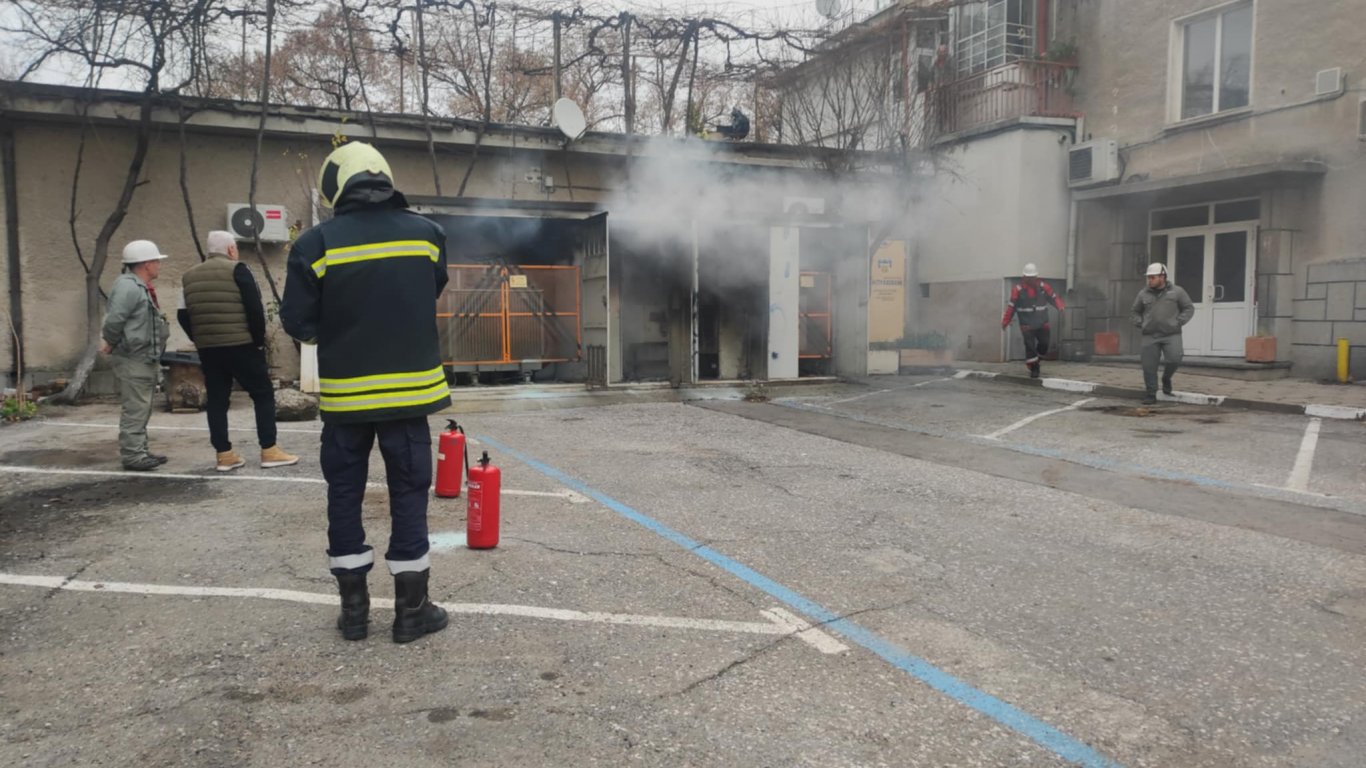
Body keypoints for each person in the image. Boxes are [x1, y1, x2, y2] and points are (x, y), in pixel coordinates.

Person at [280, 141, 452, 644]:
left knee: (345, 495)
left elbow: (298, 322)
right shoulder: (429, 235)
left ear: (335, 186)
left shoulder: (315, 244)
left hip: (346, 402)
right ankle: (411, 613)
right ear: (385, 177)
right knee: (408, 497)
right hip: (409, 397)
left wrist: (339, 330)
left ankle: (354, 614)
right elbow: (428, 291)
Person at [177, 230, 298, 472]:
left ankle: (224, 454)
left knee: (218, 400)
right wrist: (258, 341)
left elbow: (182, 314)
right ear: (231, 249)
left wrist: (199, 338)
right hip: (241, 345)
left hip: (209, 349)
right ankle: (269, 450)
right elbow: (254, 308)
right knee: (262, 393)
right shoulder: (239, 270)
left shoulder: (188, 276)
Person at [100, 240, 171, 471]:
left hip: (143, 357)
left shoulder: (137, 286)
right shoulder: (129, 287)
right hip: (134, 357)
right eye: (156, 261)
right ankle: (133, 455)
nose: (159, 265)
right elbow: (114, 320)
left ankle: (139, 450)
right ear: (146, 263)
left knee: (142, 406)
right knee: (136, 407)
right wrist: (110, 341)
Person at [1130, 262, 1195, 405]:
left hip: (1171, 334)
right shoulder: (1143, 293)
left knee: (1174, 359)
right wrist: (1140, 322)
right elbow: (1135, 311)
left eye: (1153, 277)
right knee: (1149, 366)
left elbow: (1188, 308)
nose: (1150, 280)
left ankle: (1167, 378)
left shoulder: (1177, 291)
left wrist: (1179, 321)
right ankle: (1151, 393)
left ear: (1162, 277)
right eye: (1148, 278)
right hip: (1150, 335)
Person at [1001, 262, 1065, 378]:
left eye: (1032, 277)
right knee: (1030, 347)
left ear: (1036, 276)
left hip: (1042, 323)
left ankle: (1036, 360)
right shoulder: (1017, 290)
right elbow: (1011, 307)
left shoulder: (1043, 287)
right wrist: (1005, 321)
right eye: (1028, 277)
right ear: (1024, 277)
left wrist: (1060, 306)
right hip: (1027, 325)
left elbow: (1053, 298)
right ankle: (1034, 369)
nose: (1031, 279)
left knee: (1044, 345)